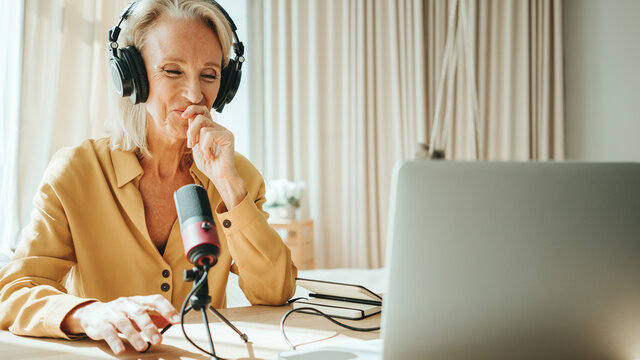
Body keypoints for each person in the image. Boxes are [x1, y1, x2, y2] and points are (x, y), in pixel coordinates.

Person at [0, 0, 297, 355]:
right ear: (132, 77)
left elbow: (274, 291)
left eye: (209, 74)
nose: (194, 95)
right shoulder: (77, 171)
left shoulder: (237, 174)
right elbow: (15, 290)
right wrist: (89, 313)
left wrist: (229, 187)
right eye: (172, 71)